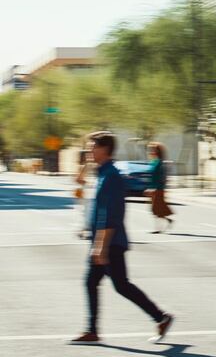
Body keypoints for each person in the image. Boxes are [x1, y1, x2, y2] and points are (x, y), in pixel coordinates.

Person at [71, 132, 174, 345]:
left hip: (110, 243)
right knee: (93, 282)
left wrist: (101, 247)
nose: (89, 151)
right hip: (102, 241)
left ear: (104, 149)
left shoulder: (111, 177)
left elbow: (110, 216)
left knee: (121, 285)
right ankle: (92, 330)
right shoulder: (102, 173)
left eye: (92, 148)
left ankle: (161, 317)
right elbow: (82, 187)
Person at [145, 142, 173, 234]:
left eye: (153, 150)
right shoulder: (154, 162)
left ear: (158, 152)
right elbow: (152, 177)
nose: (151, 152)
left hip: (159, 189)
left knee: (156, 209)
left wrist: (155, 188)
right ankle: (167, 221)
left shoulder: (161, 163)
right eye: (151, 150)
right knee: (156, 209)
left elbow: (161, 178)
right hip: (153, 189)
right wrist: (149, 188)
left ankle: (158, 228)